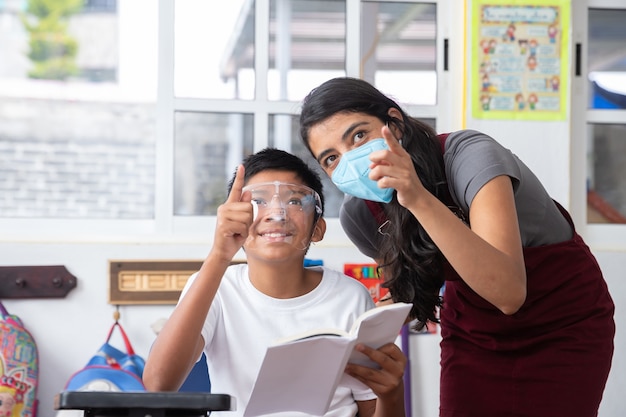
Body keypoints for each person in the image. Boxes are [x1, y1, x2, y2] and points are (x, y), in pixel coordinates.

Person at [299, 77, 615, 417]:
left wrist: (416, 196)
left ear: (395, 123)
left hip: (562, 323)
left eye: (359, 136)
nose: (350, 160)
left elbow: (508, 292)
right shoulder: (361, 215)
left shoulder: (470, 156)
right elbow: (405, 294)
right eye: (331, 159)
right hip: (474, 332)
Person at [142, 148, 407, 417]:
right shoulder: (216, 288)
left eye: (294, 201)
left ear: (317, 229)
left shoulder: (350, 297)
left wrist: (392, 392)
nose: (276, 214)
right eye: (258, 202)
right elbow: (159, 383)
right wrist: (220, 254)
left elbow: (373, 409)